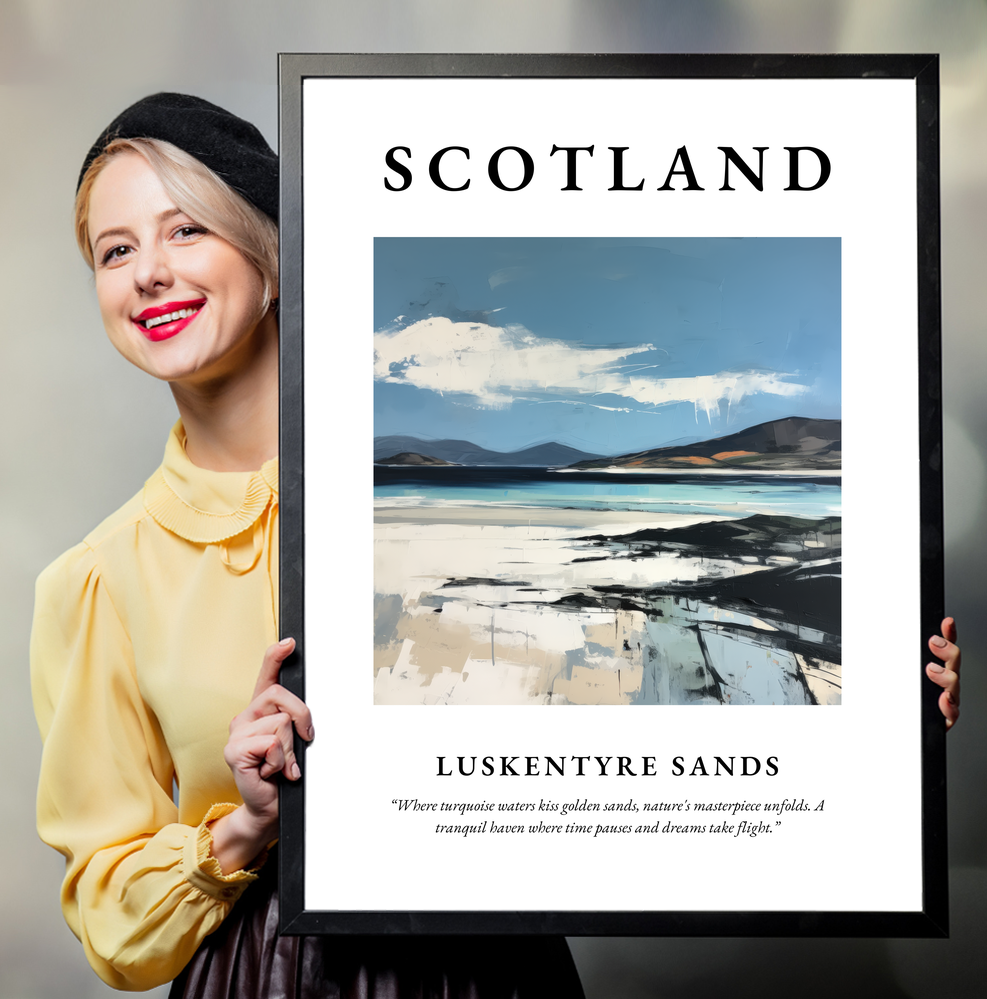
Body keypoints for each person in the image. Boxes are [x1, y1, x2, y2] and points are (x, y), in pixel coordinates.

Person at [30, 93, 585, 997]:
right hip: (263, 975)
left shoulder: (438, 499)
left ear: (274, 257)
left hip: (493, 966)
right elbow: (110, 917)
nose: (148, 274)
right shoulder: (97, 580)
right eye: (116, 250)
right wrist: (245, 825)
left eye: (186, 232)